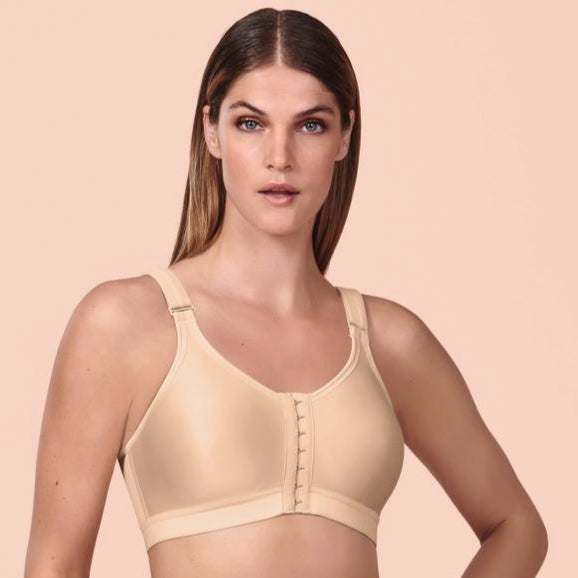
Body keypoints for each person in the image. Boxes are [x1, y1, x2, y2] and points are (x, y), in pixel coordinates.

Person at [24, 7, 548, 578]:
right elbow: (54, 567)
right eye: (251, 123)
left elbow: (517, 526)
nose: (280, 157)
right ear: (211, 131)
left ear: (344, 136)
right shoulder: (124, 325)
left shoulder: (390, 341)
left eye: (311, 125)